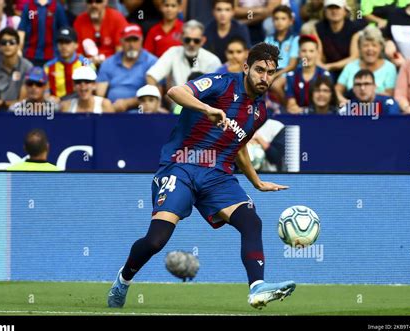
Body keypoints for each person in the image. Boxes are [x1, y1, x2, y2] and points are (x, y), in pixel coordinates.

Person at [107, 42, 296, 310]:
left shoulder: (260, 112)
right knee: (156, 240)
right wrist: (206, 109)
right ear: (246, 68)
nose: (265, 77)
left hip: (218, 175)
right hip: (181, 166)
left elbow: (238, 145)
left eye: (270, 72)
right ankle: (123, 280)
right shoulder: (222, 83)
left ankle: (257, 288)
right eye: (259, 70)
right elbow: (175, 91)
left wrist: (256, 181)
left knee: (251, 221)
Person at [96, 24, 157, 112]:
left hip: (141, 111)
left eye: (135, 40)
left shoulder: (151, 62)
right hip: (112, 111)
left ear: (141, 40)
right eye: (128, 40)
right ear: (121, 41)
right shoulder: (109, 63)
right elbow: (99, 95)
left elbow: (155, 93)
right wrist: (108, 107)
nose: (131, 45)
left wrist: (127, 103)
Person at [146, 20, 222, 88]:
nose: (191, 44)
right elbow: (151, 76)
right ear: (181, 38)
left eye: (196, 41)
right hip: (176, 102)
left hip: (202, 102)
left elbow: (218, 88)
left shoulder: (212, 60)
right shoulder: (173, 52)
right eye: (187, 40)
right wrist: (155, 96)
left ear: (203, 41)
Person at [336, 25, 397, 105]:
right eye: (365, 45)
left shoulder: (389, 68)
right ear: (360, 48)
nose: (370, 49)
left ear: (381, 48)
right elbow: (337, 89)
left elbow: (389, 95)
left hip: (380, 111)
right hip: (353, 110)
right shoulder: (350, 66)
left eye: (374, 45)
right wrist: (343, 101)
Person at [0, 27, 33, 111]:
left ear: (18, 45)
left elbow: (23, 101)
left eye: (12, 42)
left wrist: (3, 103)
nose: (7, 45)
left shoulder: (27, 66)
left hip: (20, 112)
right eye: (3, 43)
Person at [314, 0, 364, 80]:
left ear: (345, 11)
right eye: (330, 8)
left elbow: (354, 57)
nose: (334, 11)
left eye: (337, 8)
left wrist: (331, 66)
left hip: (348, 69)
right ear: (325, 11)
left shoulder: (354, 28)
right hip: (325, 69)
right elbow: (317, 55)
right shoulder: (318, 28)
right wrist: (322, 67)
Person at [285, 34, 332, 114]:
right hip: (300, 118)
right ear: (299, 53)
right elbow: (291, 104)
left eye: (311, 51)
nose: (307, 55)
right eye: (304, 51)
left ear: (317, 53)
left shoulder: (325, 75)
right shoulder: (291, 76)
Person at [73, 0, 128, 66]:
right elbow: (77, 55)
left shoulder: (117, 18)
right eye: (89, 2)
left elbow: (121, 52)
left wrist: (106, 63)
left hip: (113, 66)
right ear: (85, 3)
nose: (94, 5)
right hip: (88, 66)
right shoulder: (79, 21)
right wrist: (89, 63)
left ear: (106, 2)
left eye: (98, 1)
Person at [44, 26, 92, 100]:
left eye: (67, 42)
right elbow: (45, 92)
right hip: (57, 107)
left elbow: (92, 88)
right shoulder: (48, 67)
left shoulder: (86, 64)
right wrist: (49, 98)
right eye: (61, 43)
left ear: (76, 45)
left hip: (80, 103)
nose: (64, 46)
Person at [18, 0, 69, 67]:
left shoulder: (56, 7)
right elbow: (22, 29)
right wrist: (19, 48)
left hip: (53, 55)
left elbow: (64, 30)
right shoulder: (30, 7)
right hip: (31, 54)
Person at [264, 5, 299, 77]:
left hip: (287, 74)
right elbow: (264, 60)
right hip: (271, 72)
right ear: (273, 21)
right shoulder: (269, 39)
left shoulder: (295, 39)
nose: (279, 22)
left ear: (291, 21)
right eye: (276, 19)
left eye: (283, 19)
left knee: (276, 86)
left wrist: (275, 75)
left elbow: (292, 65)